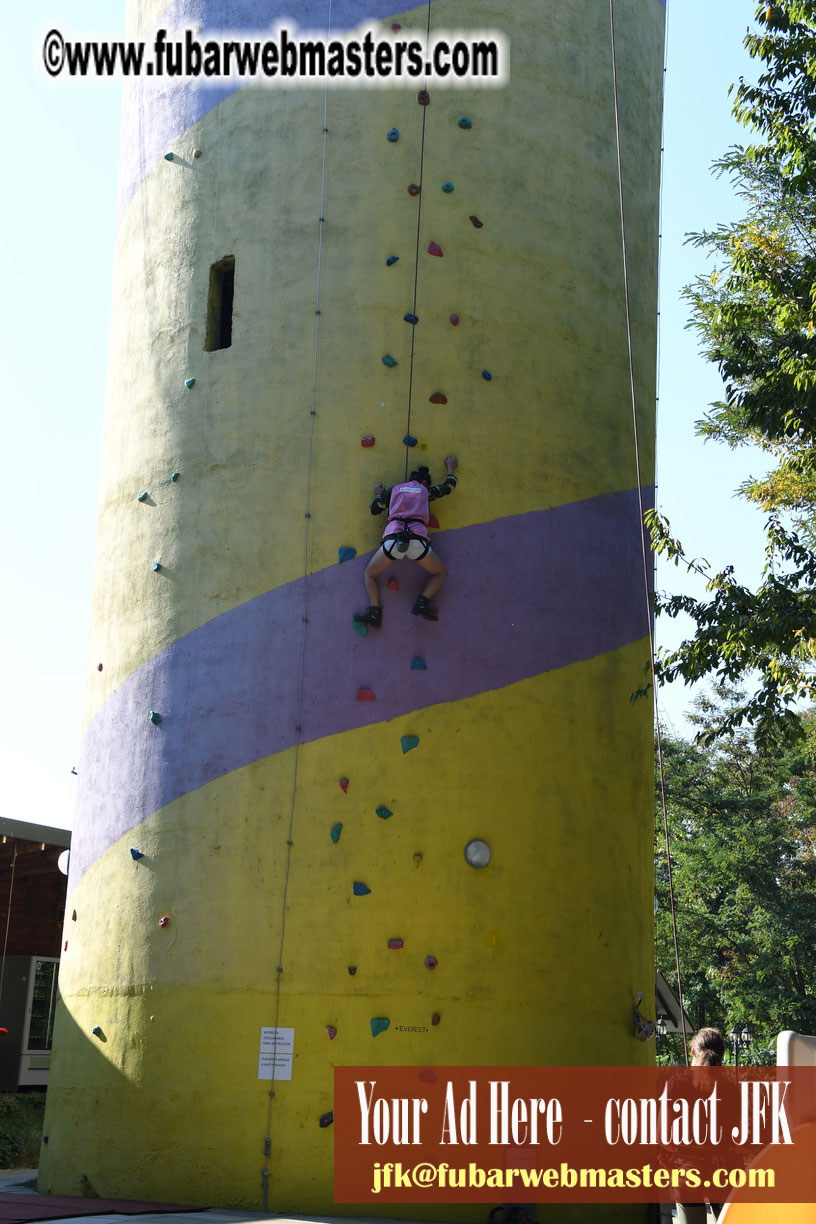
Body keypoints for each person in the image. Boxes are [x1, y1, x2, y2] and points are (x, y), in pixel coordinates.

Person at [353, 455, 458, 626]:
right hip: (417, 540)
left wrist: (379, 495)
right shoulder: (426, 492)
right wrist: (451, 467)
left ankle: (374, 613)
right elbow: (449, 486)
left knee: (369, 574)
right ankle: (421, 603)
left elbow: (374, 509)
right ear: (426, 483)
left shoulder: (394, 490)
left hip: (393, 538)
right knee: (441, 572)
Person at [675, 1028, 726, 1223]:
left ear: (692, 1052)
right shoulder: (731, 1090)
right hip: (722, 1172)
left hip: (688, 1172)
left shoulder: (676, 1085)